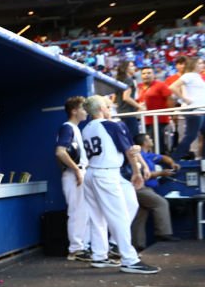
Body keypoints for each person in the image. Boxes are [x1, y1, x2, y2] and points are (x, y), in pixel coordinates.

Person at [81, 95, 160, 274]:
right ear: (101, 108)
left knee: (97, 217)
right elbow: (129, 151)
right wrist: (137, 172)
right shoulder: (110, 125)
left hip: (92, 173)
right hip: (106, 174)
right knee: (119, 216)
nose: (110, 109)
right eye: (108, 106)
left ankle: (99, 256)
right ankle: (129, 259)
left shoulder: (86, 128)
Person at [54, 95, 91, 261]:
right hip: (74, 174)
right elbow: (60, 152)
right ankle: (76, 249)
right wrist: (76, 170)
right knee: (77, 212)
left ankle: (84, 247)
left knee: (85, 212)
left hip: (79, 172)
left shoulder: (76, 128)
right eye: (83, 108)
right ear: (74, 111)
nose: (86, 112)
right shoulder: (68, 127)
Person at [131, 133, 181, 249]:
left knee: (140, 214)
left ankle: (137, 244)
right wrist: (161, 173)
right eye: (149, 138)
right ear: (143, 143)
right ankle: (163, 234)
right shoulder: (138, 156)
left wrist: (172, 163)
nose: (152, 139)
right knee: (160, 203)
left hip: (148, 189)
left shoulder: (148, 155)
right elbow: (143, 175)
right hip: (140, 188)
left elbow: (163, 158)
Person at [170, 56, 205, 160]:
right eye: (200, 63)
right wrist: (184, 99)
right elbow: (172, 87)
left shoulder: (197, 76)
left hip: (201, 110)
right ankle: (174, 158)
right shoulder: (189, 76)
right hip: (194, 110)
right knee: (191, 135)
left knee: (196, 135)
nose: (202, 65)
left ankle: (202, 159)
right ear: (193, 64)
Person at [137, 66, 175, 152]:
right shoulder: (140, 87)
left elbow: (170, 99)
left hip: (159, 119)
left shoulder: (160, 85)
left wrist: (171, 114)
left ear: (154, 75)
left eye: (149, 73)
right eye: (144, 73)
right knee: (148, 143)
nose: (146, 75)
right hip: (145, 120)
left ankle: (160, 161)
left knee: (156, 143)